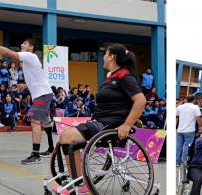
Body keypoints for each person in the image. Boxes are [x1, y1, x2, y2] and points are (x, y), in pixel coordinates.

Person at [57, 44, 146, 194]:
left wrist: (127, 124)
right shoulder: (111, 77)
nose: (103, 56)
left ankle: (79, 185)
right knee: (68, 138)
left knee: (66, 136)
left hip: (109, 125)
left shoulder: (125, 76)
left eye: (105, 54)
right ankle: (79, 179)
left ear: (112, 57)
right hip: (100, 121)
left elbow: (141, 100)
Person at [0, 36, 56, 164]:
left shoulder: (29, 56)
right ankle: (51, 148)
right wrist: (25, 85)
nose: (21, 44)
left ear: (31, 47)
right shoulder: (29, 61)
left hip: (42, 95)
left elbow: (8, 53)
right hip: (42, 94)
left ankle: (36, 155)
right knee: (45, 120)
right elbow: (38, 76)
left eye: (24, 43)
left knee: (35, 122)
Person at [177, 95, 202, 166]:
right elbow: (198, 118)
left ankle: (177, 161)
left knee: (179, 145)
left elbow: (176, 117)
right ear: (193, 100)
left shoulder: (180, 107)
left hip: (180, 130)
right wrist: (201, 126)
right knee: (187, 145)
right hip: (190, 130)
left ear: (186, 99)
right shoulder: (195, 107)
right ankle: (184, 161)